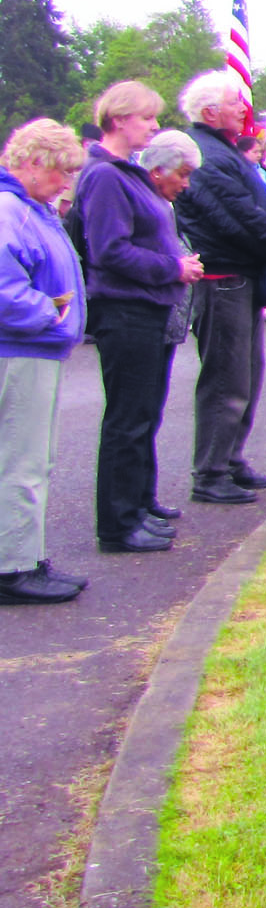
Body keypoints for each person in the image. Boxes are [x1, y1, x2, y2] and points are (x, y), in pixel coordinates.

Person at [78, 88, 204, 555]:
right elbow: (109, 249)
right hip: (125, 308)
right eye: (147, 118)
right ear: (119, 119)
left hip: (144, 307)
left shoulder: (125, 174)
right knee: (128, 419)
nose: (154, 127)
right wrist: (172, 268)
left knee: (144, 413)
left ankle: (137, 504)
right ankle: (118, 522)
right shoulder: (107, 176)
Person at [173, 71, 266, 505]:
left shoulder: (220, 150)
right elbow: (236, 217)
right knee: (226, 378)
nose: (244, 108)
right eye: (235, 102)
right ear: (209, 112)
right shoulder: (206, 155)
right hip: (223, 276)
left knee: (248, 373)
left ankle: (230, 458)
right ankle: (210, 471)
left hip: (241, 274)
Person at [0, 120, 91, 602]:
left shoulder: (26, 208)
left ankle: (23, 556)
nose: (65, 182)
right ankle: (13, 566)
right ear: (33, 163)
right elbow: (3, 291)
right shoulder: (10, 211)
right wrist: (52, 314)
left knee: (30, 457)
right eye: (61, 171)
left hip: (30, 347)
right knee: (22, 459)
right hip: (20, 350)